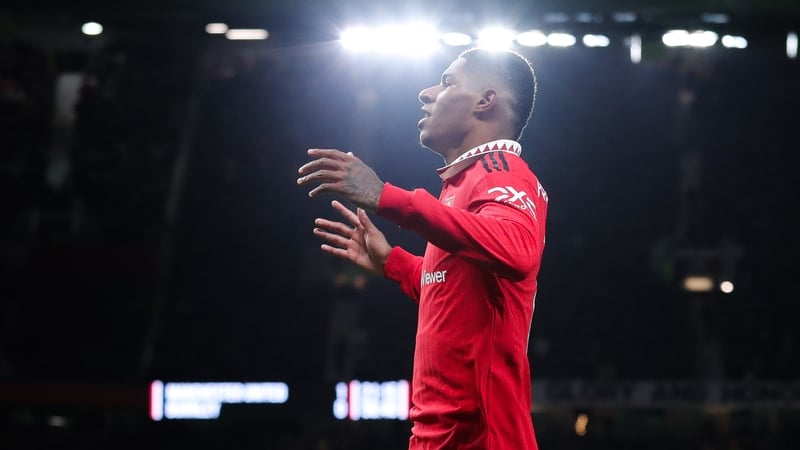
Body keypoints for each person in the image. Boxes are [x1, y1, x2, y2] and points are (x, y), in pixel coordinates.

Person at [297, 47, 548, 450]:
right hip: (439, 437)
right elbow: (452, 290)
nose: (426, 93)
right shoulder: (462, 184)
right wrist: (394, 263)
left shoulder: (502, 173)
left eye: (447, 83)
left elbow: (518, 251)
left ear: (485, 102)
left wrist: (387, 197)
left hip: (482, 440)